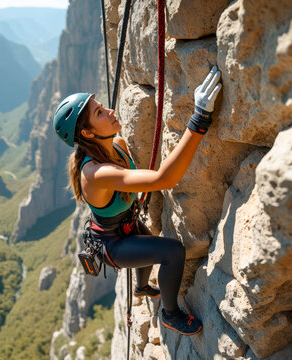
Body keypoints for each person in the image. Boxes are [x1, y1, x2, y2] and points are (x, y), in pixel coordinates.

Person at [53, 66, 222, 336]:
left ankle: (142, 288)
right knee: (172, 252)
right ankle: (170, 314)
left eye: (101, 107)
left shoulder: (117, 144)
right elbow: (163, 180)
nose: (109, 111)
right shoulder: (96, 173)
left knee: (145, 244)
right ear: (87, 134)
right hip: (113, 244)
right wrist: (199, 118)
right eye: (99, 113)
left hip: (124, 227)